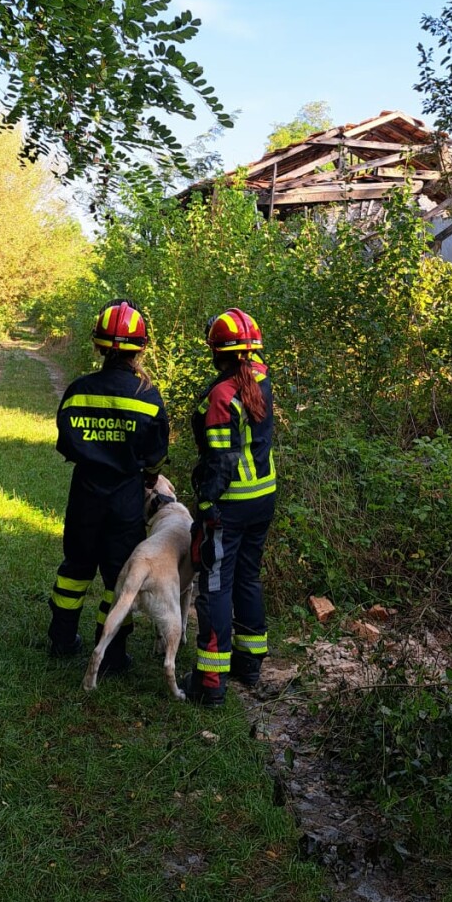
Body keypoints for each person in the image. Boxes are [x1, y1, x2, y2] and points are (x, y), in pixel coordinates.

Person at [47, 299, 169, 675]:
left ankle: (62, 640)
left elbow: (66, 443)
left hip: (85, 494)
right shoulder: (148, 397)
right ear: (141, 348)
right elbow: (156, 456)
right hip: (126, 501)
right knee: (119, 577)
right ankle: (113, 654)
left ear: (99, 346)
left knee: (75, 569)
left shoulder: (80, 390)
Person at [184, 309, 276, 707]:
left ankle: (210, 681)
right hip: (263, 498)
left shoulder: (222, 396)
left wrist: (206, 506)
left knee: (216, 585)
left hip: (231, 504)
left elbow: (220, 460)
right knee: (248, 577)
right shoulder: (261, 377)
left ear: (217, 352)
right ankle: (250, 663)